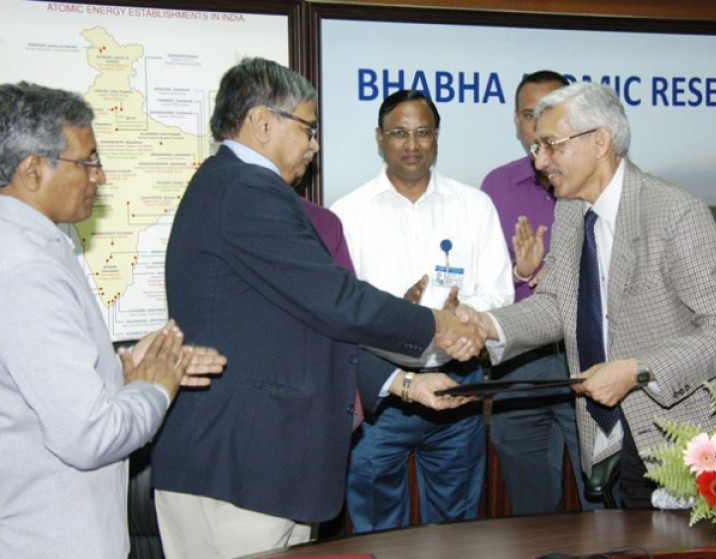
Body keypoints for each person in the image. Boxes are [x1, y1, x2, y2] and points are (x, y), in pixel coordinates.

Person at [152, 59, 480, 559]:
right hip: (236, 467)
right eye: (307, 128)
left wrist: (407, 384)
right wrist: (436, 323)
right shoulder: (244, 188)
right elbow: (336, 299)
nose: (314, 145)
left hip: (264, 467)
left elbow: (309, 323)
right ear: (263, 122)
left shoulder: (236, 186)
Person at [462, 81, 716, 509]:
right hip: (612, 431)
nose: (539, 161)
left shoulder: (674, 212)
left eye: (551, 145)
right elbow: (557, 304)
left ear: (599, 141)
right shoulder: (570, 210)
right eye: (537, 147)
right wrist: (486, 325)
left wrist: (638, 370)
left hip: (688, 433)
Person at [0, 82, 226, 559]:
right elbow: (91, 435)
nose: (101, 176)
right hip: (46, 541)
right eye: (87, 161)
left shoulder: (1, 242)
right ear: (32, 171)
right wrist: (156, 387)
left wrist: (119, 371)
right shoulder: (24, 269)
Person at [331, 89, 513, 532]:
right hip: (381, 394)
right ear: (379, 138)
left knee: (456, 528)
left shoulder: (474, 206)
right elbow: (340, 311)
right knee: (377, 529)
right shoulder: (347, 214)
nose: (411, 145)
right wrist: (397, 318)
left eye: (422, 133)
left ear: (436, 138)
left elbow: (499, 294)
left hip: (457, 385)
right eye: (399, 133)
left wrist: (462, 317)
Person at [481, 70, 599, 514]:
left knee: (602, 497)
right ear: (518, 122)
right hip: (520, 364)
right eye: (531, 114)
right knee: (529, 509)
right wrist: (520, 273)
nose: (540, 124)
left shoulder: (597, 184)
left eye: (552, 111)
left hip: (590, 361)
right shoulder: (495, 187)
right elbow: (485, 284)